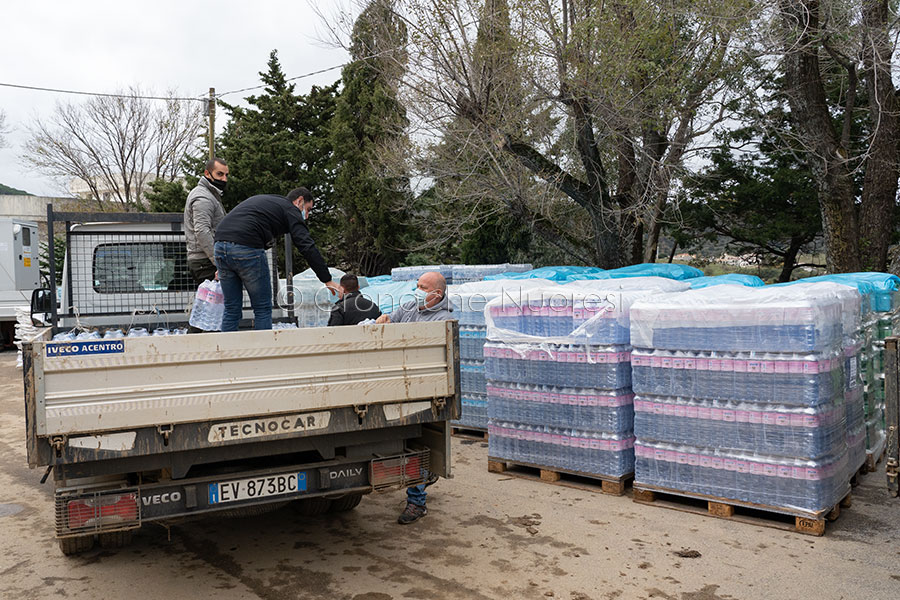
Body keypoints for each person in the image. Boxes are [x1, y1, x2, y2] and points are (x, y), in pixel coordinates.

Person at [375, 271, 454, 524]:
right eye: (417, 285)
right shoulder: (410, 306)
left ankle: (417, 502)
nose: (416, 290)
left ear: (437, 294)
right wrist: (385, 320)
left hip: (423, 388)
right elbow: (391, 322)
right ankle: (422, 479)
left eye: (422, 287)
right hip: (399, 382)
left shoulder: (444, 319)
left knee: (416, 443)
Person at [214, 187, 339, 331]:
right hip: (247, 247)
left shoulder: (271, 203)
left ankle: (228, 352)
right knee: (262, 307)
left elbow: (236, 229)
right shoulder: (291, 210)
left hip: (220, 247)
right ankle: (264, 352)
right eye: (308, 209)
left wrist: (224, 262)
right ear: (299, 201)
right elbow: (306, 246)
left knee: (231, 308)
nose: (307, 215)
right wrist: (326, 279)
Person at [184, 158, 229, 286]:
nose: (224, 179)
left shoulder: (210, 194)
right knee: (216, 305)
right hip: (205, 262)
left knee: (214, 305)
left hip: (205, 261)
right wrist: (218, 262)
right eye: (219, 174)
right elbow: (202, 231)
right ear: (207, 173)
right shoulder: (203, 198)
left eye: (226, 175)